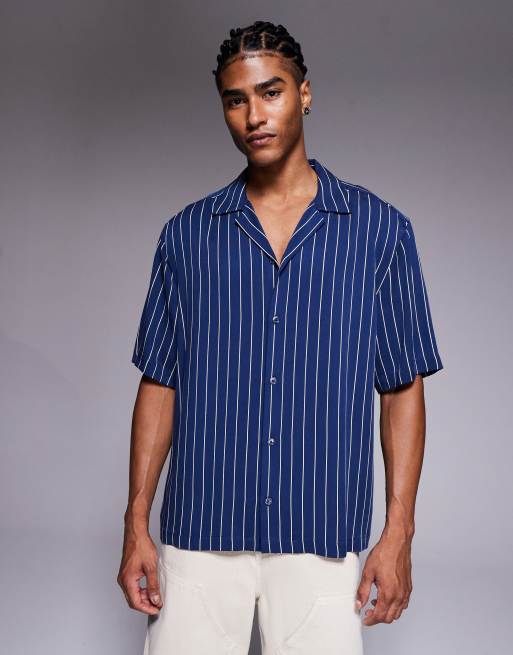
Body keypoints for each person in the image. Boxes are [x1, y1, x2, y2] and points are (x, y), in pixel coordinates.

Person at [117, 20, 444, 655]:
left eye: (271, 92)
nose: (254, 116)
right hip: (199, 537)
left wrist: (398, 531)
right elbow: (160, 381)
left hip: (321, 541)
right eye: (235, 100)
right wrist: (135, 522)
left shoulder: (380, 232)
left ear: (304, 94)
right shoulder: (186, 236)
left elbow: (402, 387)